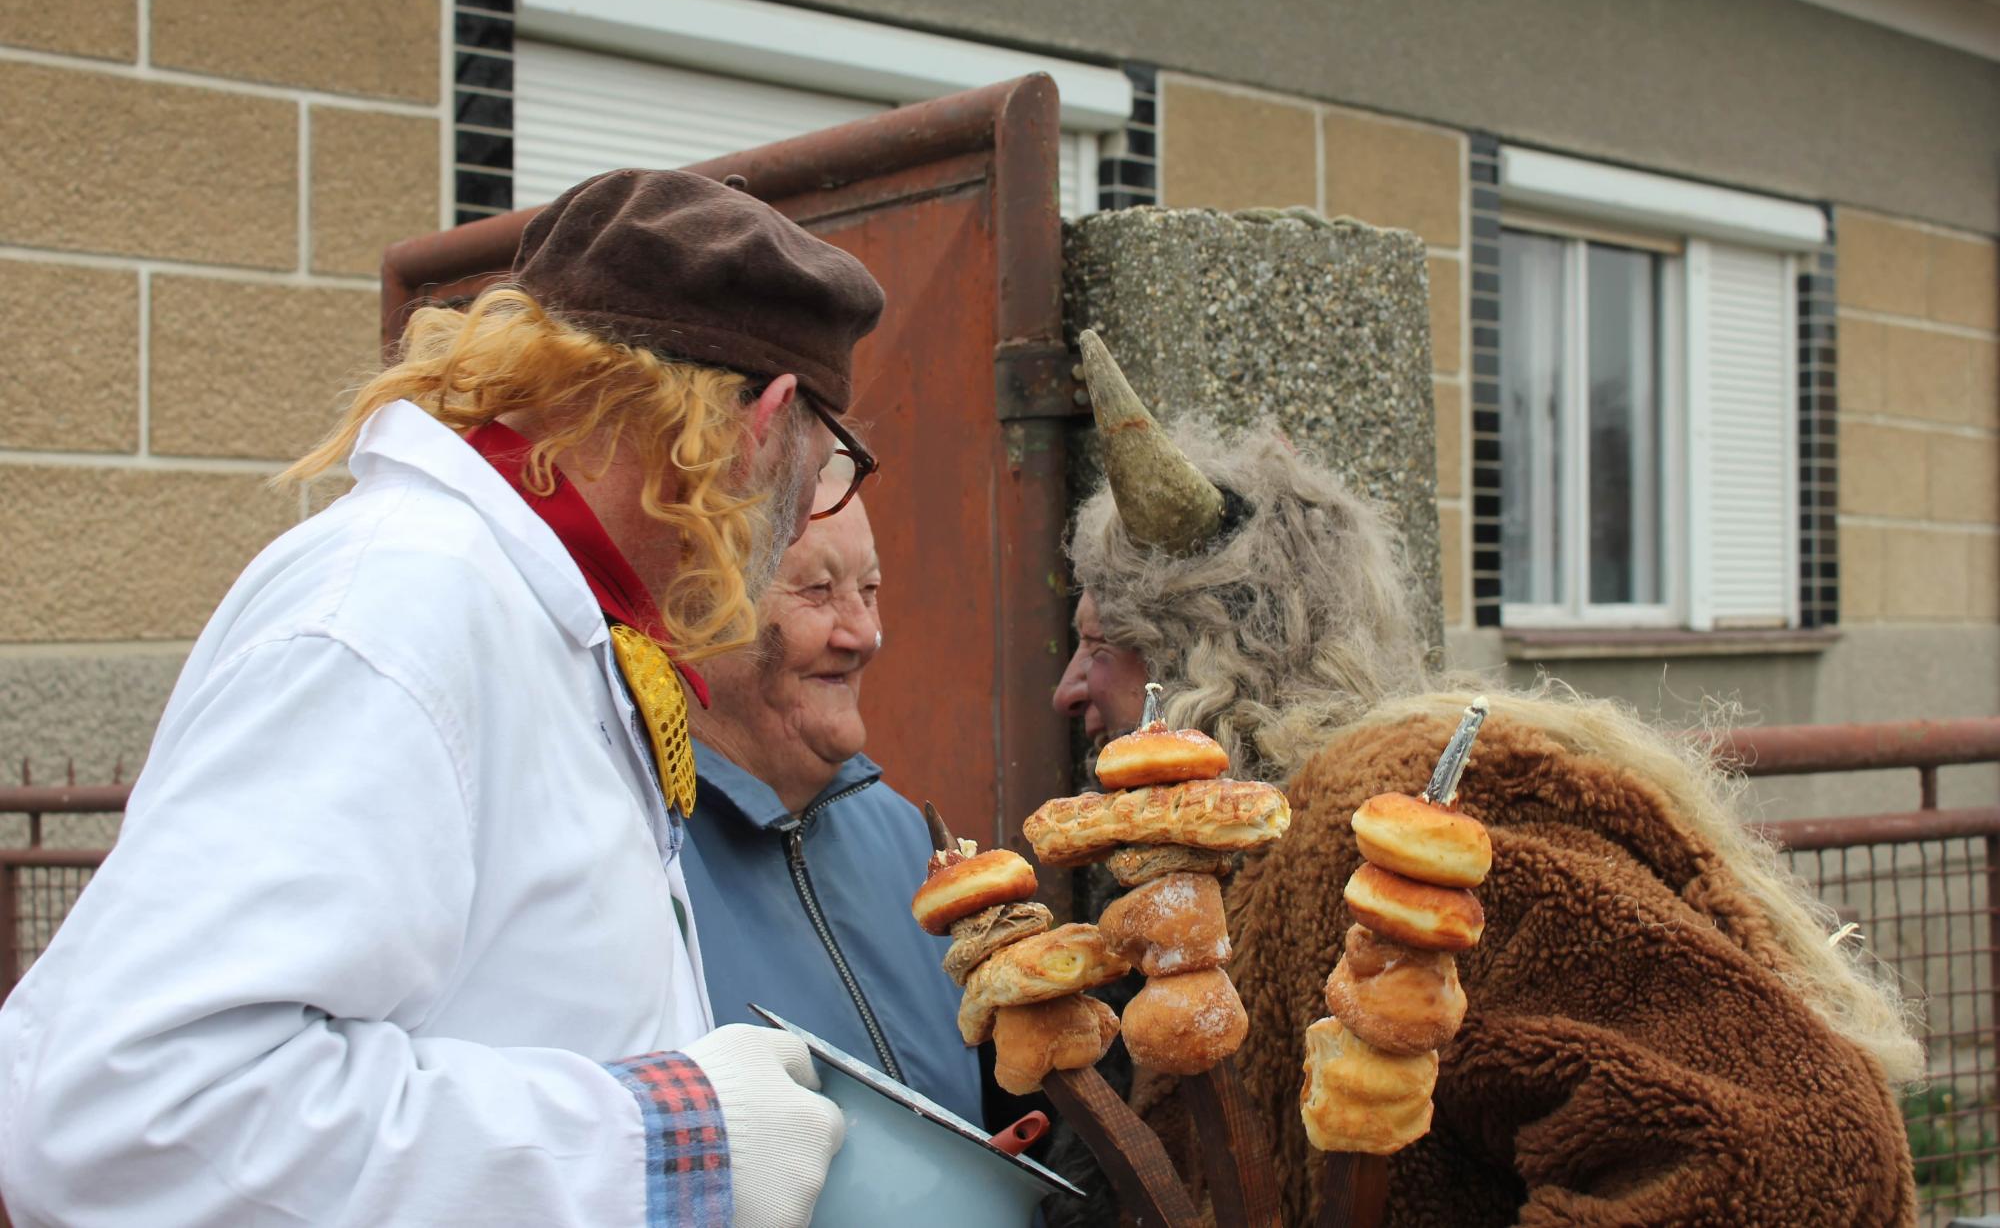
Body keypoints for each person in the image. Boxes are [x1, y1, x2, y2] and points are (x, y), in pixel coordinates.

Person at [0, 169, 885, 1227]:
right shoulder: (399, 611)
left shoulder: (525, 613)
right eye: (819, 471)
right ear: (761, 427)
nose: (802, 518)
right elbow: (132, 1120)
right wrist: (668, 1141)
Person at [1048, 331, 1921, 1224]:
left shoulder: (1395, 841)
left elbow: (1805, 1147)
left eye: (1098, 644)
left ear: (1203, 659)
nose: (1068, 688)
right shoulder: (1242, 876)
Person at [679, 464, 983, 1123]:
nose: (863, 635)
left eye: (869, 590)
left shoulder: (910, 841)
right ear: (697, 603)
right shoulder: (649, 849)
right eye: (818, 591)